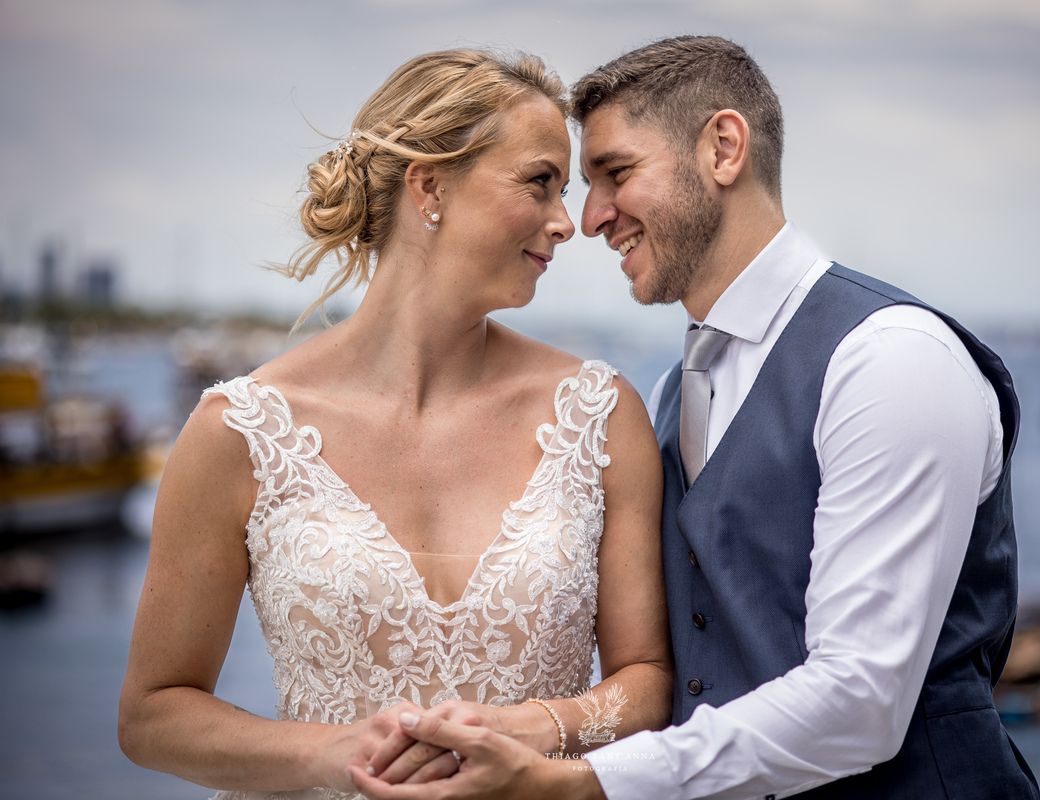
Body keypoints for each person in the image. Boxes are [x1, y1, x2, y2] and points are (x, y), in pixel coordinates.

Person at [349, 35, 1040, 800]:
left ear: (723, 147)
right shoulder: (681, 390)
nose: (589, 219)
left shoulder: (892, 359)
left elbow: (860, 703)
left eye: (615, 173)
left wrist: (581, 784)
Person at [117, 49, 672, 799]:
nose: (567, 222)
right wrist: (330, 754)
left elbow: (648, 684)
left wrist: (533, 728)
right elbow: (152, 716)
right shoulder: (239, 431)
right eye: (540, 182)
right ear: (429, 184)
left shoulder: (602, 417)